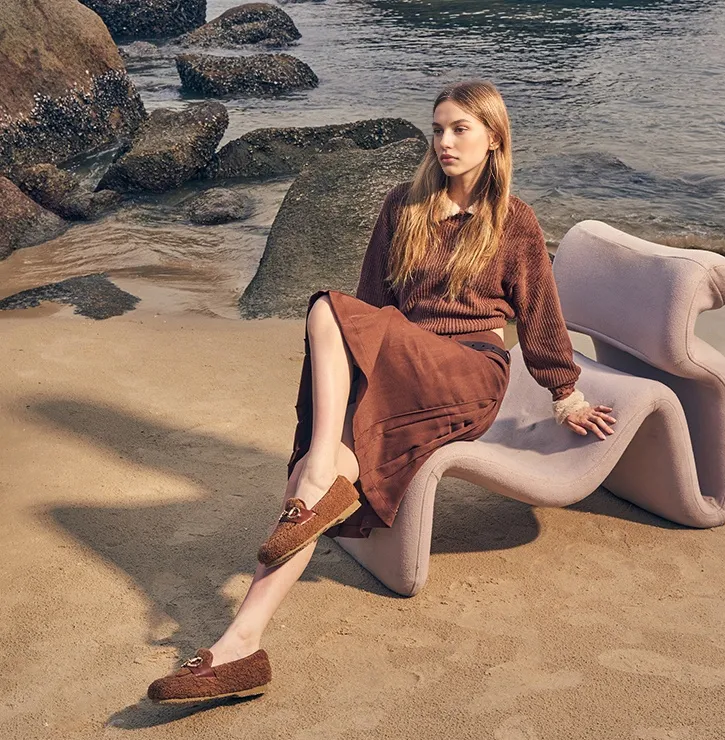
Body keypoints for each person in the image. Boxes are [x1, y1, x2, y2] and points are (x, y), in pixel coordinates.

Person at [146, 80, 616, 704]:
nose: (445, 142)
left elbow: (540, 316)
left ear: (494, 139)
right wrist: (357, 384)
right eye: (438, 129)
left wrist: (567, 395)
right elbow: (372, 306)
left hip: (468, 375)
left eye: (461, 130)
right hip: (403, 368)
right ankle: (241, 645)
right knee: (315, 477)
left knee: (325, 310)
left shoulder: (514, 220)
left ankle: (320, 467)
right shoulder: (404, 205)